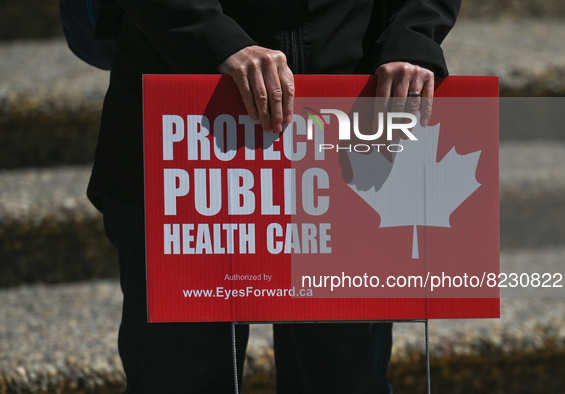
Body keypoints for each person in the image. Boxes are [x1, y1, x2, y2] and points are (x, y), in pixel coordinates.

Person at [88, 0, 462, 392]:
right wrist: (211, 36)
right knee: (179, 375)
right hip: (183, 116)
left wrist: (414, 34)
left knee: (345, 380)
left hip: (346, 123)